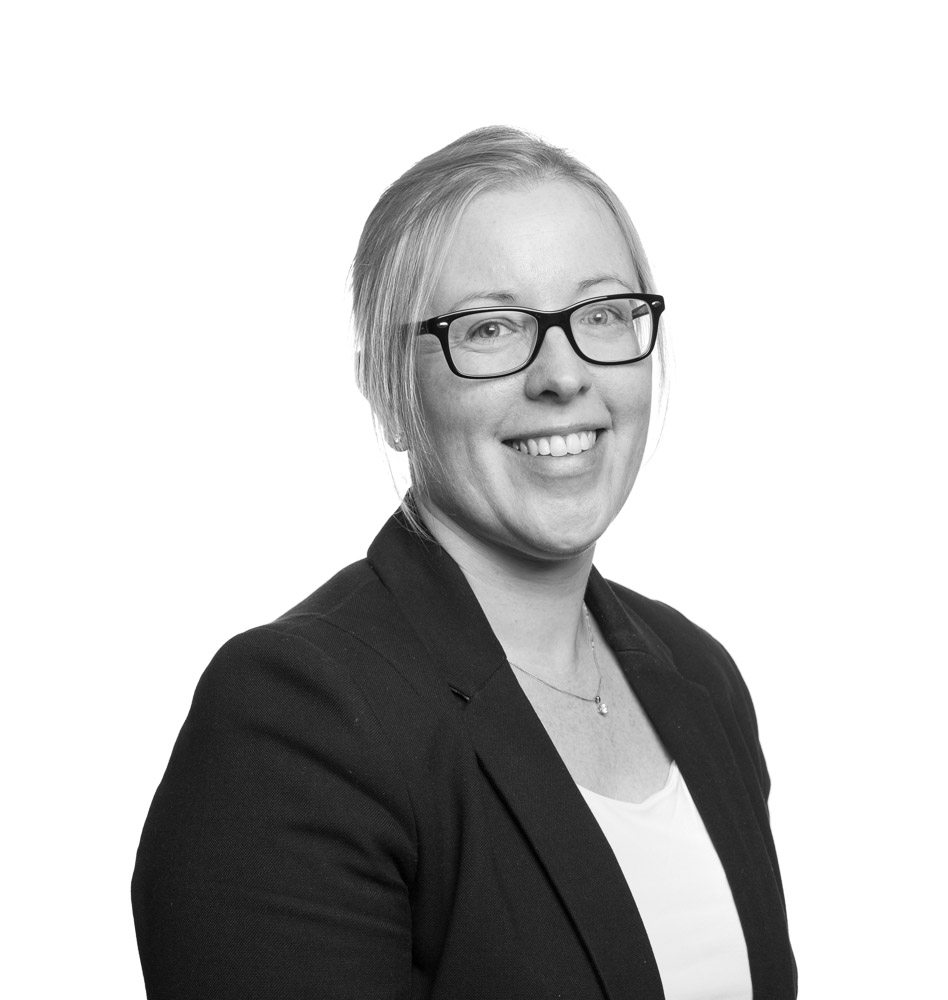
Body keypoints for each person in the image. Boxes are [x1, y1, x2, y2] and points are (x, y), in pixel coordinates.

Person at [132, 126, 797, 1000]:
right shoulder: (296, 721)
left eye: (603, 314)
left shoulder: (699, 677)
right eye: (490, 327)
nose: (564, 375)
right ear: (390, 391)